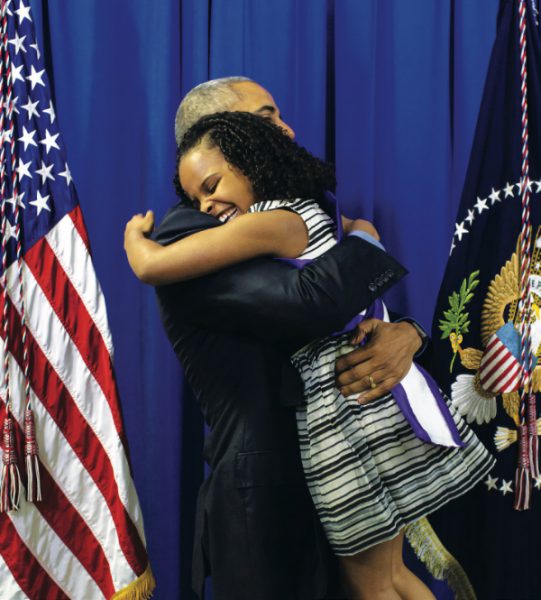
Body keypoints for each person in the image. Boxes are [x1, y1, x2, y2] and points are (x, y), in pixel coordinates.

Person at [125, 111, 495, 600]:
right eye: (197, 197)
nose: (207, 205)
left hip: (342, 408)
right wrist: (365, 233)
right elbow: (355, 242)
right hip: (358, 406)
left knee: (371, 585)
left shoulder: (274, 221)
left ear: (251, 159)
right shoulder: (309, 210)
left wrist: (133, 239)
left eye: (213, 186)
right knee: (392, 576)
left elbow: (155, 266)